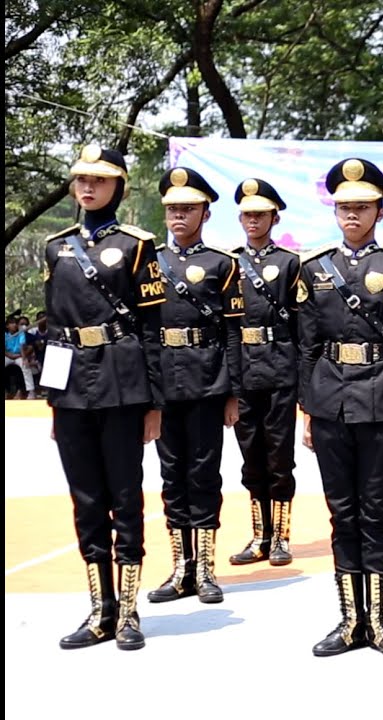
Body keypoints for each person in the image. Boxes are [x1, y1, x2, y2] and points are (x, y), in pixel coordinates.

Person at [298, 158, 383, 657]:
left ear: (378, 211)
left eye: (361, 207)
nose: (351, 214)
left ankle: (379, 621)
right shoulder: (314, 268)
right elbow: (307, 346)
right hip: (331, 399)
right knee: (341, 511)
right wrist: (307, 409)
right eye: (344, 207)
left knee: (376, 509)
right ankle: (349, 620)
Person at [45, 143, 164, 650]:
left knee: (124, 495)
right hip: (72, 384)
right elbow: (54, 327)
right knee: (86, 500)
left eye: (99, 179)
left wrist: (155, 403)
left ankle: (130, 610)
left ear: (119, 185)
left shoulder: (139, 245)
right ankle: (100, 609)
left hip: (122, 382)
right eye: (80, 179)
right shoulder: (57, 246)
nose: (87, 187)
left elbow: (154, 329)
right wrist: (53, 398)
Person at [146, 167, 244, 606]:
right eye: (172, 209)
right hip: (165, 384)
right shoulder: (149, 262)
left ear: (205, 212)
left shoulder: (223, 264)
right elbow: (143, 330)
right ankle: (179, 567)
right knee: (171, 476)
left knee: (204, 474)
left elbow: (234, 334)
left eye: (187, 208)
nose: (178, 216)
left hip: (208, 382)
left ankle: (204, 568)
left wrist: (233, 393)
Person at [227, 178, 302, 567]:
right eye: (247, 214)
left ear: (274, 217)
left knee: (279, 456)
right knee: (250, 456)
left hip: (279, 366)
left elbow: (303, 325)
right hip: (243, 367)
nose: (252, 220)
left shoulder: (290, 263)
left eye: (260, 214)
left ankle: (282, 537)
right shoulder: (230, 262)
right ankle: (259, 533)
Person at [5, 316, 34, 399]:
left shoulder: (21, 333)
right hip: (8, 356)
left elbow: (22, 346)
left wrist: (24, 359)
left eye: (15, 323)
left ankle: (31, 391)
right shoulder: (5, 335)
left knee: (25, 366)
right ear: (7, 326)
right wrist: (10, 355)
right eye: (12, 323)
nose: (14, 325)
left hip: (19, 355)